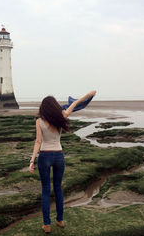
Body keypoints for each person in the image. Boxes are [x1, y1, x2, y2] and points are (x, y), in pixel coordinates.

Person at [29, 90, 97, 233]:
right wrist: (90, 94)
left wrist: (32, 160)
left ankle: (47, 225)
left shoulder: (39, 121)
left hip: (44, 157)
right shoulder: (62, 115)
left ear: (43, 108)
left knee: (46, 190)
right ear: (54, 107)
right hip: (59, 156)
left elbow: (38, 142)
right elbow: (76, 103)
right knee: (58, 188)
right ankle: (60, 220)